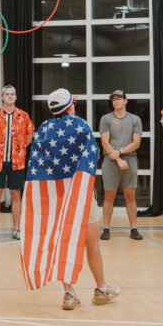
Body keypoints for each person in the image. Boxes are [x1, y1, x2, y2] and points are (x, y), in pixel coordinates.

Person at [20, 88, 118, 310]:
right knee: (92, 243)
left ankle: (69, 293)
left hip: (55, 196)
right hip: (80, 193)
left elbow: (37, 163)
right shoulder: (80, 125)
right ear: (70, 105)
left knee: (62, 240)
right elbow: (93, 154)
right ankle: (101, 288)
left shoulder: (44, 129)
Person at [0, 85, 35, 241]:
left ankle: (17, 229)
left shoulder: (23, 115)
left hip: (17, 162)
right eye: (7, 94)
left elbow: (29, 137)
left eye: (12, 94)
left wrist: (18, 150)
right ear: (2, 97)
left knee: (15, 194)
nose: (10, 96)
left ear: (16, 97)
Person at [99, 90, 143, 241]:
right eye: (114, 99)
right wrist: (118, 158)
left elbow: (136, 143)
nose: (116, 101)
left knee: (130, 196)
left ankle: (134, 228)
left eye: (119, 98)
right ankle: (106, 229)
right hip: (111, 160)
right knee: (109, 196)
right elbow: (105, 142)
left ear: (125, 101)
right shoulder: (106, 119)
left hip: (129, 158)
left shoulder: (135, 119)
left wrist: (120, 152)